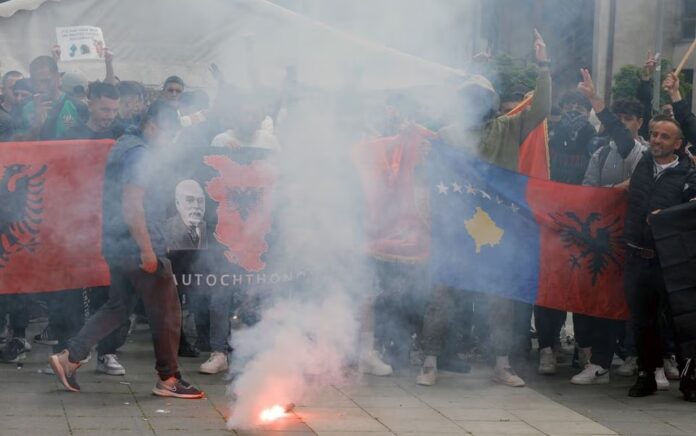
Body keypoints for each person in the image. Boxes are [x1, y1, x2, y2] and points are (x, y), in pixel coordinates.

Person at [419, 29, 551, 388]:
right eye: (469, 97)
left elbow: (540, 108)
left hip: (495, 225)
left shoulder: (508, 128)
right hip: (455, 225)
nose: (475, 103)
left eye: (481, 97)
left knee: (499, 298)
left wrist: (543, 65)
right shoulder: (447, 133)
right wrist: (466, 71)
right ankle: (429, 361)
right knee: (442, 293)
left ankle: (501, 364)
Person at [49, 101, 204, 399]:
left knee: (118, 307)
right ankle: (169, 378)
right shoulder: (139, 154)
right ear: (153, 126)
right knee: (168, 312)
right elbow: (132, 204)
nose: (169, 142)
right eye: (168, 134)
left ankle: (70, 358)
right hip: (138, 245)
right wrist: (147, 249)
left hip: (117, 243)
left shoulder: (124, 143)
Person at [619, 112, 696, 398]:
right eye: (654, 134)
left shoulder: (689, 174)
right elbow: (619, 132)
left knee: (683, 320)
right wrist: (596, 102)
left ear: (678, 144)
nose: (657, 140)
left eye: (665, 136)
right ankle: (646, 374)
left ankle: (689, 378)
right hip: (638, 257)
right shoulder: (640, 162)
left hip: (673, 261)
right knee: (642, 320)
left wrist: (665, 217)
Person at [20, 56, 79, 140]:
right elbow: (18, 144)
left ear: (57, 77)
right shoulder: (24, 107)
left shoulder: (76, 105)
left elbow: (85, 142)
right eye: (35, 82)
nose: (40, 87)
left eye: (46, 81)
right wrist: (36, 125)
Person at [0, 70, 24, 140]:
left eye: (21, 88)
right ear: (2, 90)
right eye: (13, 88)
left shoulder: (29, 111)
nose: (17, 91)